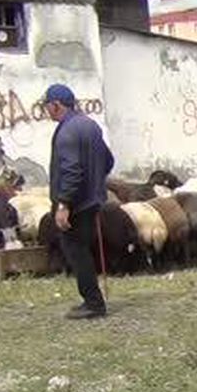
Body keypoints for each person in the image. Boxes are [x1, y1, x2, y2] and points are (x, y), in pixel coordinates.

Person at [45, 83, 114, 320]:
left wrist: (63, 204)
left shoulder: (66, 132)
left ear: (56, 105)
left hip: (75, 203)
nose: (47, 110)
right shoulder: (90, 125)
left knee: (76, 251)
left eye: (48, 105)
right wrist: (95, 184)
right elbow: (108, 161)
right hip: (92, 200)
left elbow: (71, 171)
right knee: (83, 248)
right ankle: (93, 301)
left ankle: (93, 303)